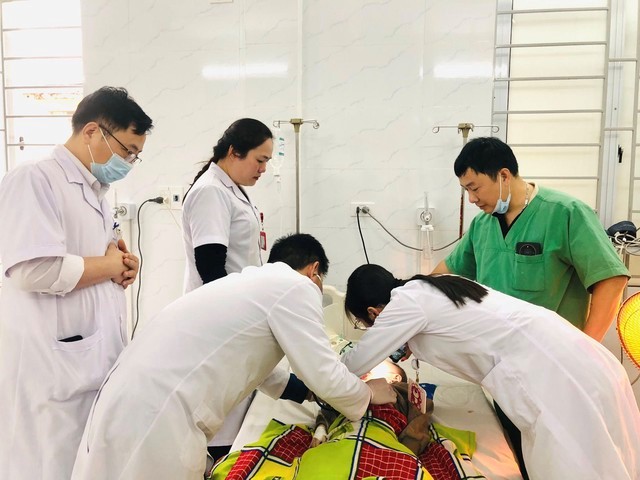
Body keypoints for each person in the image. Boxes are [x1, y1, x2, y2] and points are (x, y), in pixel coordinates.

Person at [71, 234, 397, 480]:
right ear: (314, 271)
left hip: (131, 393)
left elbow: (261, 369)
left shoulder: (251, 285)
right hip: (158, 411)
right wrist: (367, 392)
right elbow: (325, 372)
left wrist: (307, 392)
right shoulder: (297, 288)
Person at [341, 264, 640, 480]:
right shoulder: (433, 285)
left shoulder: (404, 305)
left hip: (554, 375)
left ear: (373, 313)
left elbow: (354, 364)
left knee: (574, 461)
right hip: (574, 353)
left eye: (366, 325)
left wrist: (326, 371)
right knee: (609, 457)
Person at [0, 86, 153, 480]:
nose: (128, 163)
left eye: (135, 155)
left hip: (88, 359)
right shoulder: (34, 179)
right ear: (91, 132)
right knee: (47, 465)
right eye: (126, 151)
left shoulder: (97, 190)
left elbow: (99, 255)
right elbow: (33, 270)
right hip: (51, 368)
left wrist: (122, 266)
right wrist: (108, 264)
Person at [432, 136, 628, 341]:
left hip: (551, 351)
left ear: (504, 176)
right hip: (494, 350)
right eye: (466, 191)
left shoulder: (565, 213)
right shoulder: (482, 225)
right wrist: (416, 300)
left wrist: (587, 347)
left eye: (475, 188)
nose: (472, 199)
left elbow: (611, 279)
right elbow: (446, 274)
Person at [181, 118, 273, 459]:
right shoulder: (211, 192)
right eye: (260, 160)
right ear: (234, 151)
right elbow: (210, 266)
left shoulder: (230, 189)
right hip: (219, 318)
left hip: (233, 312)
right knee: (222, 413)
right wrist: (236, 319)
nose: (263, 169)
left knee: (235, 405)